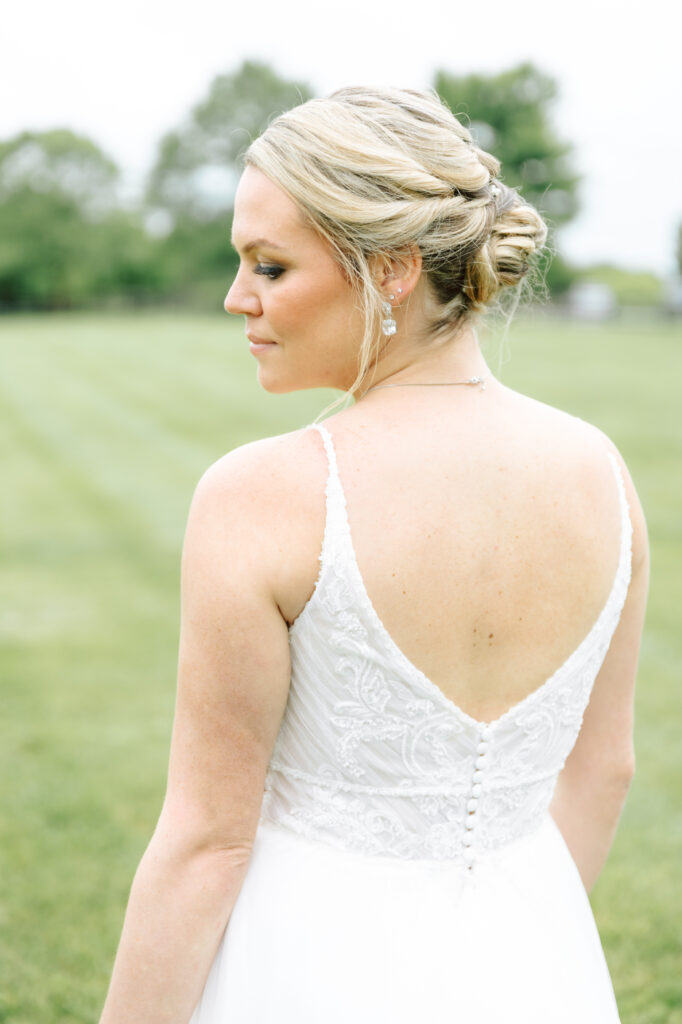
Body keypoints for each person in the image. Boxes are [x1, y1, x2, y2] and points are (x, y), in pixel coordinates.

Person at [98, 86, 649, 1023]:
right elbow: (605, 772)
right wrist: (522, 949)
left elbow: (207, 845)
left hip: (306, 967)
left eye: (269, 266)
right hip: (535, 966)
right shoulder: (604, 476)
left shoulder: (264, 496)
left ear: (391, 268)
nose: (238, 298)